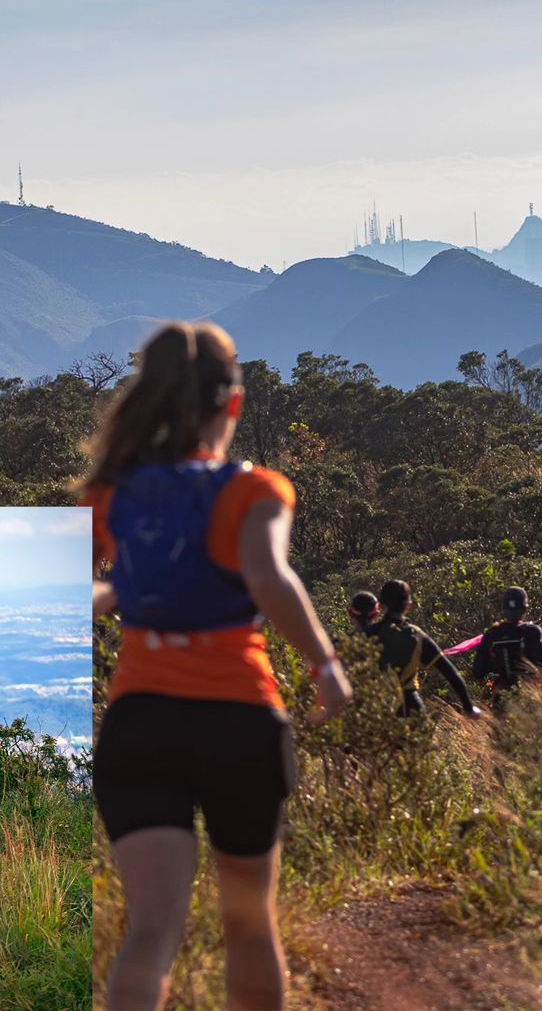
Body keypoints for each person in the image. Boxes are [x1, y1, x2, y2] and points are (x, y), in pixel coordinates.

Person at [81, 321, 352, 1011]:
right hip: (239, 721)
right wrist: (324, 664)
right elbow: (267, 577)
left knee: (150, 931)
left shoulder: (111, 494)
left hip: (140, 726)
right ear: (230, 406)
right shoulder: (255, 490)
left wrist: (123, 593)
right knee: (248, 924)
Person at [365, 579, 481, 718]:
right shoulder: (416, 635)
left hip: (375, 706)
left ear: (382, 604)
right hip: (410, 706)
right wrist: (468, 707)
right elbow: (451, 673)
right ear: (408, 605)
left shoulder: (368, 634)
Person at [472, 587, 542, 699]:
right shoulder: (531, 631)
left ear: (504, 609)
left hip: (500, 696)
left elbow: (478, 671)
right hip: (528, 695)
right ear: (524, 609)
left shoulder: (491, 634)